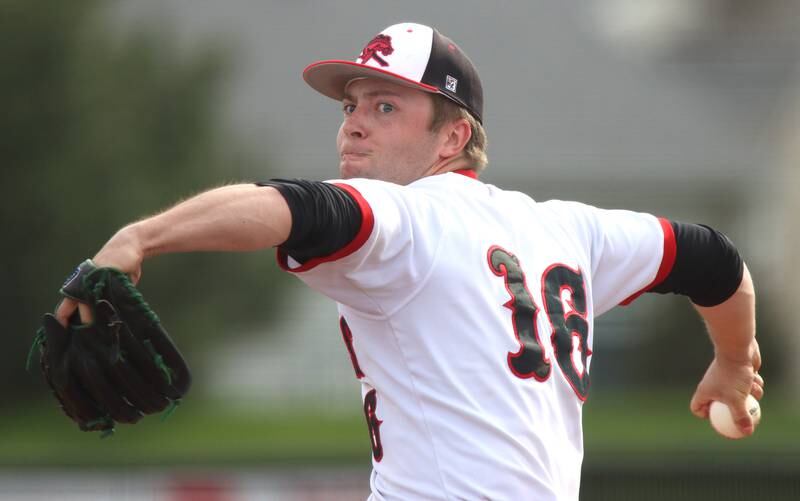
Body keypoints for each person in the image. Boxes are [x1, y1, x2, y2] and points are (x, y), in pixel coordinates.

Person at [56, 22, 763, 500]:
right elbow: (710, 257)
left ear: (453, 135)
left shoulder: (407, 217)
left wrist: (140, 238)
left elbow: (290, 206)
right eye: (352, 105)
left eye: (386, 106)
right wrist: (735, 358)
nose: (354, 121)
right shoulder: (566, 230)